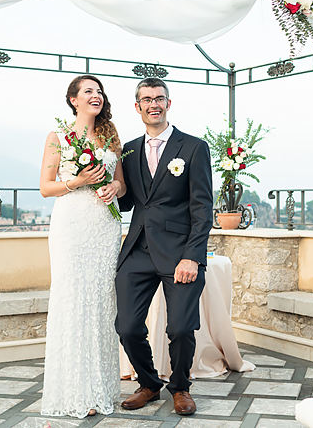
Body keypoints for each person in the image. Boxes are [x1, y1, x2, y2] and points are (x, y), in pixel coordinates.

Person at [115, 77, 213, 416]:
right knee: (126, 327)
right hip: (138, 250)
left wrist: (192, 256)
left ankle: (181, 387)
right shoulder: (127, 149)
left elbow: (203, 208)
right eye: (146, 99)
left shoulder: (193, 147)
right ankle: (149, 383)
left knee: (182, 328)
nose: (153, 104)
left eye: (159, 98)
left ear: (168, 104)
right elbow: (127, 203)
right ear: (138, 107)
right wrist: (106, 183)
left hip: (179, 253)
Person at [39, 75, 126, 418]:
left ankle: (101, 390)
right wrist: (79, 181)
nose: (97, 95)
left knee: (103, 303)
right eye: (89, 91)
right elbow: (46, 188)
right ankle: (73, 390)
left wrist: (113, 189)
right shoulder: (58, 137)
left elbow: (120, 181)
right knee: (73, 299)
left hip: (105, 226)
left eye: (100, 91)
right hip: (72, 226)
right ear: (73, 100)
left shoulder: (110, 136)